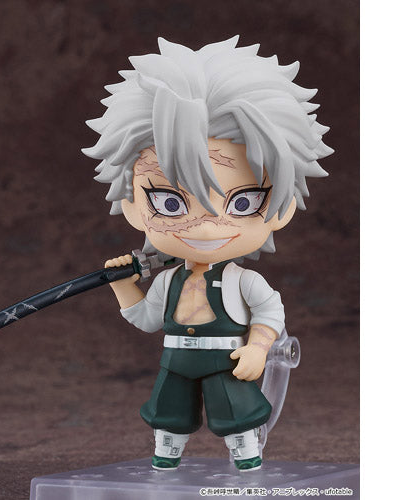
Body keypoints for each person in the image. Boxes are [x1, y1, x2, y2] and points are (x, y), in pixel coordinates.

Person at [82, 36, 332, 471]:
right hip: (176, 360)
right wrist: (123, 286)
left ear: (283, 207)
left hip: (226, 361)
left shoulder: (243, 281)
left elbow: (270, 311)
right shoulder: (167, 280)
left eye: (243, 202)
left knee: (237, 415)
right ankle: (165, 459)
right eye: (169, 202)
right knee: (168, 415)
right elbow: (148, 320)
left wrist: (258, 348)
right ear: (133, 206)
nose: (206, 226)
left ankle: (247, 457)